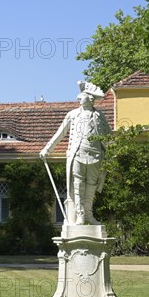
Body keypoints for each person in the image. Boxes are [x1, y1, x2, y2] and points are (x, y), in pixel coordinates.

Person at [40, 81, 110, 225]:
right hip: (77, 153)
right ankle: (80, 215)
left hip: (95, 154)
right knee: (77, 184)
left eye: (82, 96)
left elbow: (108, 137)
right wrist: (47, 148)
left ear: (90, 98)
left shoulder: (99, 115)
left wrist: (113, 152)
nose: (78, 99)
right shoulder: (72, 115)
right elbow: (60, 133)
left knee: (92, 184)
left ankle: (89, 214)